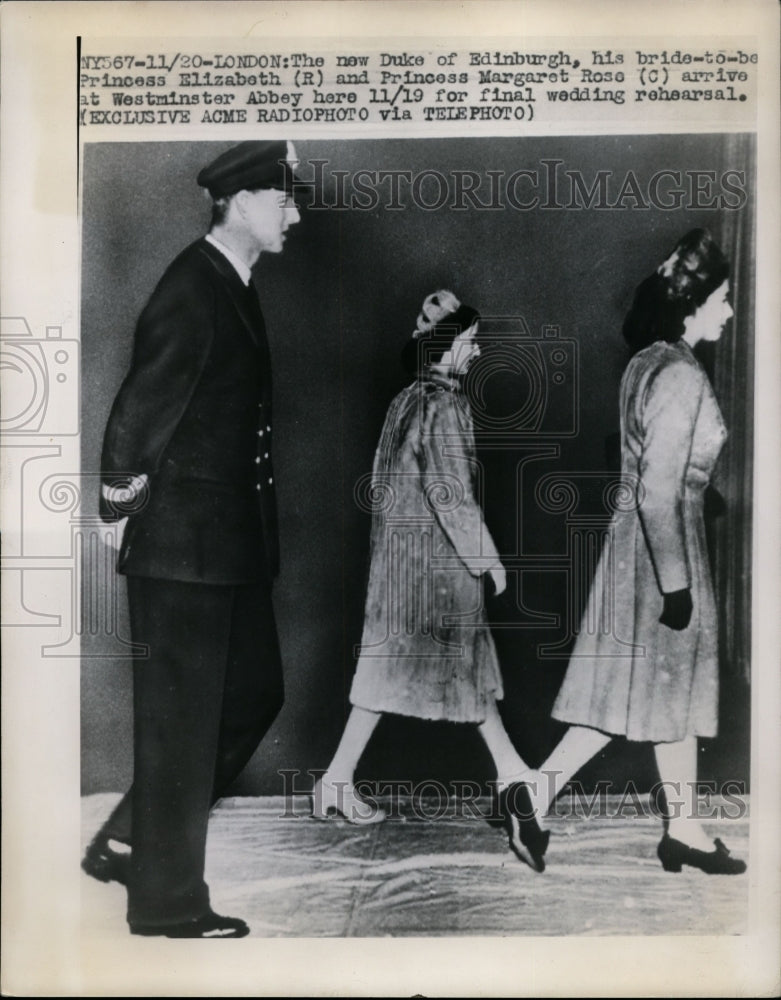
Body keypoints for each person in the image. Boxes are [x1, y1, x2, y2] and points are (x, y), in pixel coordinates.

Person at [81, 141, 304, 936]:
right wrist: (118, 506)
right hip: (182, 547)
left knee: (251, 694)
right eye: (284, 201)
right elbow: (139, 409)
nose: (296, 215)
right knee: (182, 725)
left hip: (224, 545)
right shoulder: (193, 287)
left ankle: (130, 836)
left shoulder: (228, 282)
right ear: (239, 202)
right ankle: (166, 902)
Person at [519, 229, 746, 875]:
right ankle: (537, 797)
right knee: (653, 691)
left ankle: (683, 829)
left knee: (644, 695)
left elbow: (652, 470)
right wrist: (677, 586)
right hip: (661, 554)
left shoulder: (646, 361)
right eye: (721, 298)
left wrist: (700, 499)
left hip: (636, 550)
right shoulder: (679, 374)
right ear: (691, 302)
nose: (727, 312)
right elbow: (657, 493)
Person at [311, 290, 549, 872]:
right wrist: (487, 560)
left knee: (395, 673)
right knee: (462, 670)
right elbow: (450, 493)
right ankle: (516, 781)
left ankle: (336, 782)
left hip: (402, 568)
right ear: (448, 346)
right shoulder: (444, 406)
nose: (478, 349)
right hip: (436, 574)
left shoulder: (406, 401)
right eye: (471, 340)